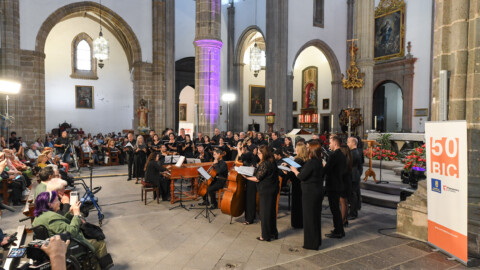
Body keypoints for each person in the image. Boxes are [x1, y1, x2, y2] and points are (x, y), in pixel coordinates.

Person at [32, 191, 108, 262]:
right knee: (100, 243)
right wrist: (76, 215)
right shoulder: (51, 217)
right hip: (68, 247)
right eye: (56, 200)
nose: (59, 202)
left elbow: (61, 225)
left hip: (52, 247)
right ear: (49, 204)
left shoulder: (39, 217)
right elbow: (71, 232)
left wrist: (70, 213)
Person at [290, 140, 323, 250]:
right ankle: (316, 241)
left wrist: (294, 170)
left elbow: (301, 176)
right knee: (315, 218)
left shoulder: (311, 162)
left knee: (310, 218)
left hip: (310, 193)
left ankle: (311, 244)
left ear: (312, 150)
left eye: (308, 147)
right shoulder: (318, 161)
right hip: (316, 191)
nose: (307, 149)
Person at [243, 145, 279, 241]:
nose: (258, 155)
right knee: (271, 212)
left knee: (264, 213)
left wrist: (245, 177)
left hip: (266, 191)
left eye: (259, 153)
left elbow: (257, 178)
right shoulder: (272, 161)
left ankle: (265, 236)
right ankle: (273, 233)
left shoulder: (265, 164)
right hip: (273, 189)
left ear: (264, 153)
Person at [322, 136, 346, 238]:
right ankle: (339, 229)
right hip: (338, 183)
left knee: (335, 209)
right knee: (335, 208)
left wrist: (323, 164)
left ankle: (338, 231)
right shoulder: (341, 154)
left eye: (330, 143)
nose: (329, 144)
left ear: (335, 144)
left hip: (333, 185)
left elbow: (326, 169)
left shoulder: (334, 155)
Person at [285, 141, 308, 229]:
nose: (295, 149)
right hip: (302, 184)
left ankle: (297, 223)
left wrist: (286, 170)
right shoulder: (305, 159)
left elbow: (294, 172)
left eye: (296, 148)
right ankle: (301, 222)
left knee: (296, 204)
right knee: (301, 204)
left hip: (296, 184)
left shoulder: (298, 159)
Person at [236, 141, 257, 225]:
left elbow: (242, 156)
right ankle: (252, 216)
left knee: (249, 199)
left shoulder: (249, 154)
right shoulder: (253, 155)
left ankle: (249, 219)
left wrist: (238, 148)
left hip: (250, 178)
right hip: (250, 178)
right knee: (251, 199)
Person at [347, 137, 362, 220]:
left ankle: (353, 213)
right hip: (355, 175)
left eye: (348, 142)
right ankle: (353, 211)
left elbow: (350, 165)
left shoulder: (353, 153)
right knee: (354, 194)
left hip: (353, 176)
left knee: (353, 195)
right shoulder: (357, 151)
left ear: (353, 143)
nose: (347, 144)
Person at [339, 145, 352, 227]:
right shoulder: (349, 159)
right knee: (345, 202)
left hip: (343, 183)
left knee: (343, 202)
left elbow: (341, 173)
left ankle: (342, 220)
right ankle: (345, 219)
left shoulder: (343, 162)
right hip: (347, 182)